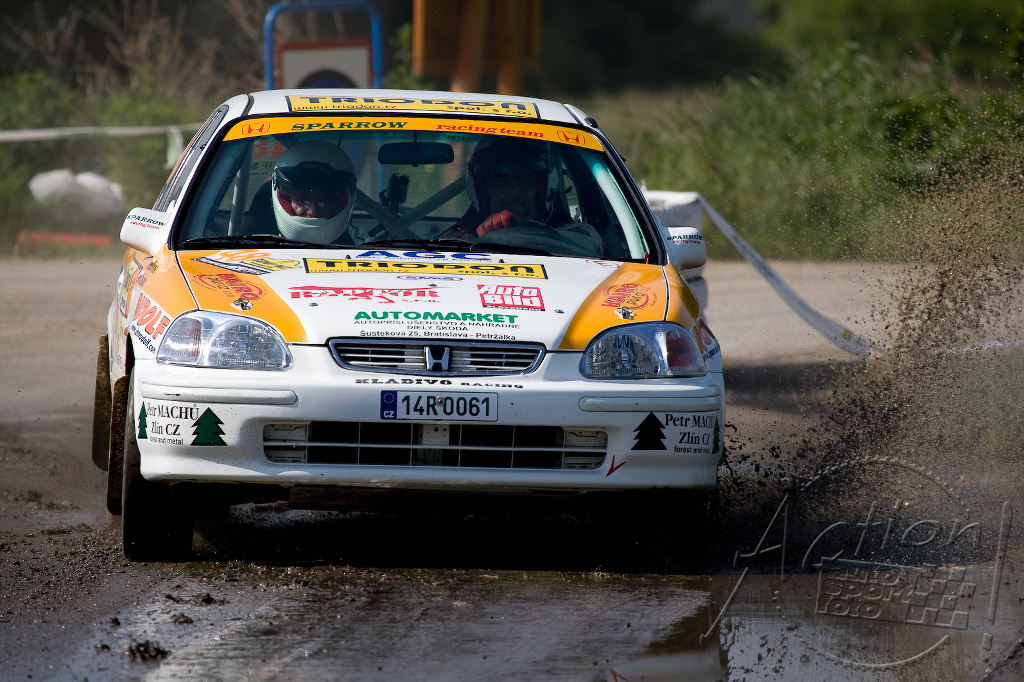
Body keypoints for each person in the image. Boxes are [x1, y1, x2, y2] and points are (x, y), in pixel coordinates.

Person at [243, 140, 358, 244]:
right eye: (303, 200)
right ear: (284, 199)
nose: (312, 212)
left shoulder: (359, 253)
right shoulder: (245, 247)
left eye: (324, 201)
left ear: (341, 203)